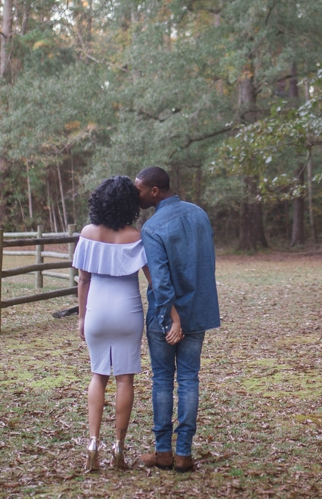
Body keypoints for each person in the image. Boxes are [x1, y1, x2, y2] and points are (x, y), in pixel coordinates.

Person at [131, 166, 220, 472]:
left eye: (139, 189)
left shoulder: (153, 227)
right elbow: (208, 264)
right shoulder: (199, 214)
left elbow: (160, 280)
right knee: (189, 380)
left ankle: (163, 452)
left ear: (155, 191)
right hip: (199, 310)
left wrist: (173, 318)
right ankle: (183, 453)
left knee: (162, 380)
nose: (136, 195)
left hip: (166, 317)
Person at [73, 176, 148, 472]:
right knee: (125, 379)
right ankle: (119, 447)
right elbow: (151, 277)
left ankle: (92, 443)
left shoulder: (88, 233)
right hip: (127, 309)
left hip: (97, 309)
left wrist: (81, 317)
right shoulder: (135, 236)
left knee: (98, 375)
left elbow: (83, 279)